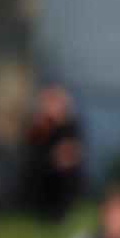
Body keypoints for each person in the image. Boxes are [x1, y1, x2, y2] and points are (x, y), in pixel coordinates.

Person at [23, 84, 84, 220]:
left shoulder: (70, 125)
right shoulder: (40, 125)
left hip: (62, 170)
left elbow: (72, 151)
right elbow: (34, 149)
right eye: (49, 102)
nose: (53, 107)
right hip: (43, 170)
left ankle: (62, 211)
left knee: (69, 173)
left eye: (56, 102)